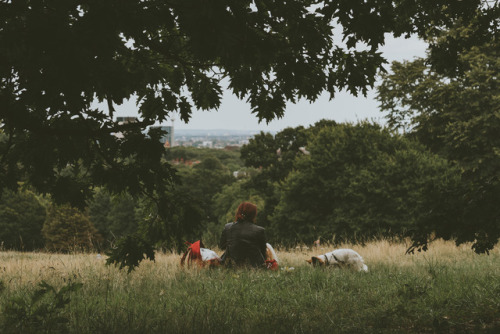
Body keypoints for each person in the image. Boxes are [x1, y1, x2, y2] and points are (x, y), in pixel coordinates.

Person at [219, 202, 267, 267]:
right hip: (254, 266)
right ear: (253, 215)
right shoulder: (260, 230)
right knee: (268, 246)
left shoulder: (228, 227)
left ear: (238, 212)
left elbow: (221, 246)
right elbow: (263, 252)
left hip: (231, 265)